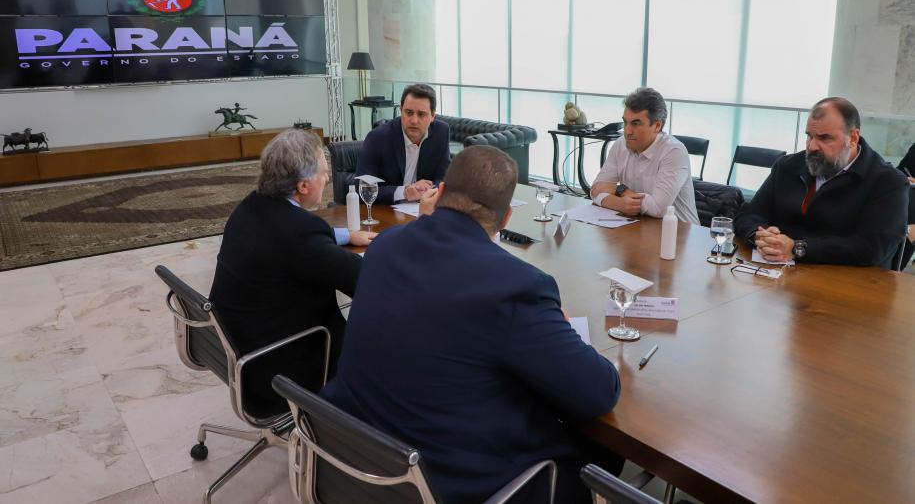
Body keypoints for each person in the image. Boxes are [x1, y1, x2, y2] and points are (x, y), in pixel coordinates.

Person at [323, 146, 623, 504]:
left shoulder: (385, 244)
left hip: (356, 455)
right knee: (603, 454)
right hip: (442, 483)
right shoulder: (517, 286)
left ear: (441, 193)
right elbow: (599, 393)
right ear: (506, 217)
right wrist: (563, 328)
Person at [209, 129, 375, 413]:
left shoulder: (251, 206)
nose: (327, 177)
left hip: (241, 347)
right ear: (303, 186)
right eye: (323, 171)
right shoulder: (301, 233)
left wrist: (347, 235)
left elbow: (289, 240)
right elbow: (366, 282)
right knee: (382, 337)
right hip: (279, 368)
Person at [734, 97, 908, 268]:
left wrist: (798, 248)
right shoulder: (788, 166)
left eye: (824, 138)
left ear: (853, 138)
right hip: (781, 272)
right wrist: (760, 235)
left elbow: (872, 248)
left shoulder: (888, 182)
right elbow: (748, 214)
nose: (812, 147)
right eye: (809, 136)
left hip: (849, 280)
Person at [590, 87, 700, 224]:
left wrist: (619, 190)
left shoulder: (674, 151)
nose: (627, 131)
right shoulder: (620, 144)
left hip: (681, 231)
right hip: (641, 225)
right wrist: (621, 204)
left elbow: (658, 209)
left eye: (635, 124)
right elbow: (596, 190)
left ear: (657, 126)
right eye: (625, 122)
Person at [354, 83, 451, 205]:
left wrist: (427, 189)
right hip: (386, 209)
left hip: (421, 207)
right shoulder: (378, 138)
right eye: (409, 113)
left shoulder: (441, 132)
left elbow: (444, 178)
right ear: (401, 111)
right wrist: (404, 192)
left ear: (432, 116)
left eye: (421, 114)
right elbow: (362, 189)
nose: (414, 121)